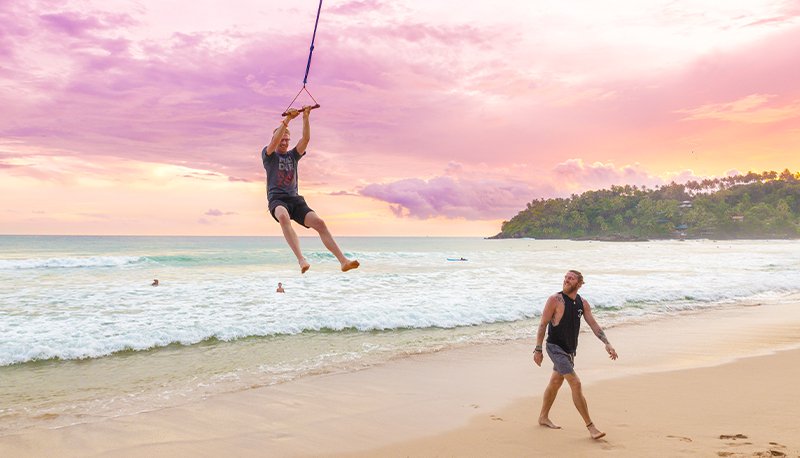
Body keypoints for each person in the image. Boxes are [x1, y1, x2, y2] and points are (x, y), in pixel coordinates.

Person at [262, 106, 360, 274]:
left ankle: (343, 261)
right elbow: (273, 142)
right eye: (281, 139)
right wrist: (287, 121)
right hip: (277, 200)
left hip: (295, 200)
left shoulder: (293, 156)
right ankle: (301, 259)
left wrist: (305, 116)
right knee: (283, 217)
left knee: (320, 223)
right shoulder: (269, 154)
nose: (284, 142)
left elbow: (306, 139)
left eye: (287, 140)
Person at [533, 270, 618, 440]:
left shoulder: (582, 303)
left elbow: (593, 324)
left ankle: (543, 417)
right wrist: (538, 349)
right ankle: (591, 427)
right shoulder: (554, 300)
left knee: (556, 382)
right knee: (576, 383)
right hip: (555, 347)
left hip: (570, 350)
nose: (566, 280)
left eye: (570, 278)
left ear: (579, 284)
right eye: (565, 277)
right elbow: (543, 324)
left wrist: (607, 343)